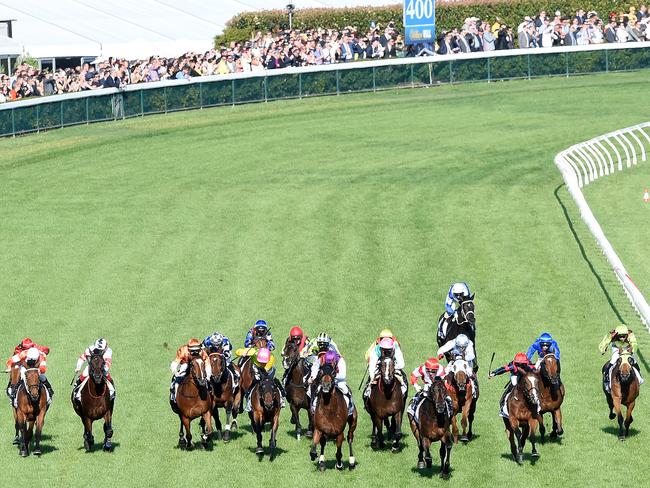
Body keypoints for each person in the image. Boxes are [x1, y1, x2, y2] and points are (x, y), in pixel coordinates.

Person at [489, 353, 538, 418]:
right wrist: (494, 373)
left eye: (522, 364)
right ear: (515, 363)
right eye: (518, 364)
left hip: (525, 376)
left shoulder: (529, 365)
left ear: (525, 363)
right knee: (514, 383)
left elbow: (535, 370)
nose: (520, 365)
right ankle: (503, 403)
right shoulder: (512, 366)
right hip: (515, 375)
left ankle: (538, 405)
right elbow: (504, 369)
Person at [6, 338, 54, 403]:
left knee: (42, 377)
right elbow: (11, 360)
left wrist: (40, 371)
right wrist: (9, 367)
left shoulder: (41, 355)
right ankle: (13, 393)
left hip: (36, 368)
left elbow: (43, 367)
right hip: (26, 368)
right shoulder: (24, 353)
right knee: (21, 375)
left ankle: (49, 391)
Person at [599, 324, 644, 392]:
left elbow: (634, 343)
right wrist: (603, 349)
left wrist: (632, 349)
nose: (622, 338)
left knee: (634, 361)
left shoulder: (630, 334)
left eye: (624, 336)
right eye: (620, 336)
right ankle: (606, 380)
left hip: (628, 348)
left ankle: (639, 377)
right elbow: (604, 342)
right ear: (617, 334)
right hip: (617, 348)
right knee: (613, 360)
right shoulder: (611, 334)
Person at [308, 349, 354, 416]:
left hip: (338, 380)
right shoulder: (322, 358)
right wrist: (313, 376)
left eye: (331, 363)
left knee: (346, 391)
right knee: (316, 391)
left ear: (334, 360)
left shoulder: (340, 361)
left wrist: (332, 377)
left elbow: (342, 375)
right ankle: (314, 407)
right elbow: (315, 367)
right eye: (327, 362)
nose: (329, 364)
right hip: (325, 380)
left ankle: (349, 408)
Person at [363, 329, 406, 398]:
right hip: (379, 366)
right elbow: (372, 366)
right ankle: (367, 394)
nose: (386, 351)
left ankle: (403, 393)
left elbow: (401, 363)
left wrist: (391, 367)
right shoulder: (376, 349)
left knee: (403, 382)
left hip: (393, 366)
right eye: (384, 349)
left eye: (388, 349)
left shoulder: (396, 346)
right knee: (369, 385)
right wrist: (372, 378)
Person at [72, 338, 115, 404]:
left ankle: (112, 392)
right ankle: (76, 391)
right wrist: (78, 367)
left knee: (108, 377)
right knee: (83, 375)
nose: (98, 351)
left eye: (100, 350)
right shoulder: (90, 349)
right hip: (91, 367)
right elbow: (82, 358)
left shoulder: (108, 352)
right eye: (97, 350)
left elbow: (108, 363)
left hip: (102, 367)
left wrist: (104, 370)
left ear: (105, 348)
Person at [169, 338, 210, 403]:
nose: (195, 352)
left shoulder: (202, 352)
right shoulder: (182, 350)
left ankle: (209, 392)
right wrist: (175, 371)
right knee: (177, 378)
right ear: (188, 348)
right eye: (193, 350)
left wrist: (208, 374)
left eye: (197, 350)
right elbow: (176, 362)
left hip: (198, 364)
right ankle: (175, 395)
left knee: (206, 377)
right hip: (185, 363)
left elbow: (207, 362)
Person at [244, 347, 285, 411]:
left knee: (277, 382)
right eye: (261, 362)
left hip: (268, 375)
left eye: (264, 362)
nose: (262, 363)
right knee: (252, 385)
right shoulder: (256, 364)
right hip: (259, 376)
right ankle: (248, 402)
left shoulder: (270, 360)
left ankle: (282, 399)